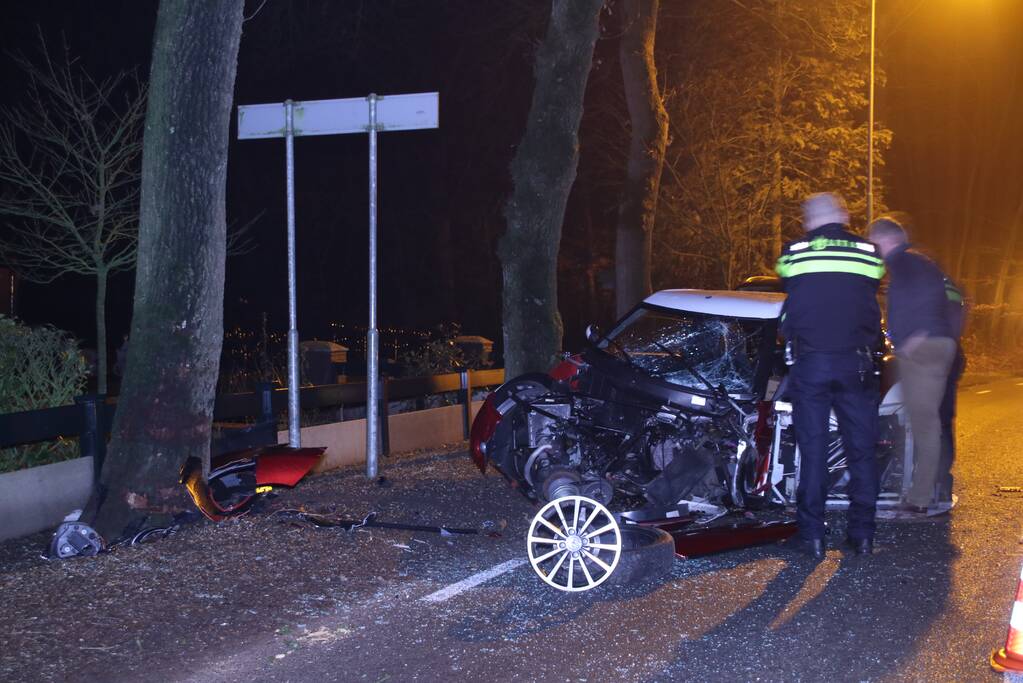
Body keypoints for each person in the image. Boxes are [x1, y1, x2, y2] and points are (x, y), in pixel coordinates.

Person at [775, 192, 885, 558]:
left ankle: (813, 537)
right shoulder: (868, 253)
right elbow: (873, 284)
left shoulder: (794, 252)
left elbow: (786, 284)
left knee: (814, 450)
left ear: (810, 220)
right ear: (844, 216)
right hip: (856, 362)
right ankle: (863, 536)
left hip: (812, 363)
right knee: (861, 451)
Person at [868, 217, 958, 515]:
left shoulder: (904, 263)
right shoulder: (917, 262)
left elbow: (924, 298)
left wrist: (913, 337)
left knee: (924, 424)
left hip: (924, 347)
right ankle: (929, 487)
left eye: (874, 243)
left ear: (885, 240)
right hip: (935, 344)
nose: (874, 250)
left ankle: (921, 497)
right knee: (919, 420)